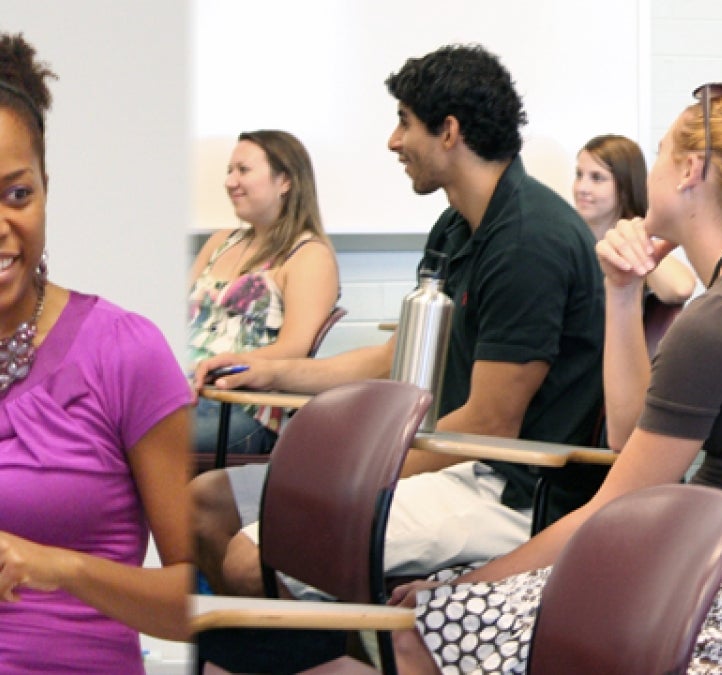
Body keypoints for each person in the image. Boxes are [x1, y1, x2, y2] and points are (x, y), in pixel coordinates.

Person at [388, 84, 722, 674]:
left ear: (691, 169)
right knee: (444, 613)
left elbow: (619, 502)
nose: (652, 171)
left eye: (663, 151)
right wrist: (620, 293)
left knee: (424, 630)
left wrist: (474, 583)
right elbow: (625, 438)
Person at [190, 43, 605, 599]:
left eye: (404, 123)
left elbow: (489, 425)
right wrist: (274, 373)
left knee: (252, 560)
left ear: (449, 131)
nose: (393, 142)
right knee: (205, 503)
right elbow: (397, 357)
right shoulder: (458, 228)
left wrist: (355, 470)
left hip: (510, 489)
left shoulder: (529, 242)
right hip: (456, 462)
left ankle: (323, 651)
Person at [0, 33, 192, 671]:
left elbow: (199, 603)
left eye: (16, 194)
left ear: (47, 189)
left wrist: (61, 567)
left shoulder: (123, 353)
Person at [188, 129, 339, 455]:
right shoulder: (218, 242)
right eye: (230, 171)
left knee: (134, 439)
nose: (230, 182)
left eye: (243, 170)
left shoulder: (309, 255)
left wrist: (215, 366)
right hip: (183, 394)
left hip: (241, 408)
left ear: (285, 181)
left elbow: (294, 348)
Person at [573, 134, 695, 303]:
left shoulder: (634, 239)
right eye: (579, 175)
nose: (582, 188)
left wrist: (636, 248)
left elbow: (680, 288)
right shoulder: (568, 237)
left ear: (624, 187)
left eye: (597, 178)